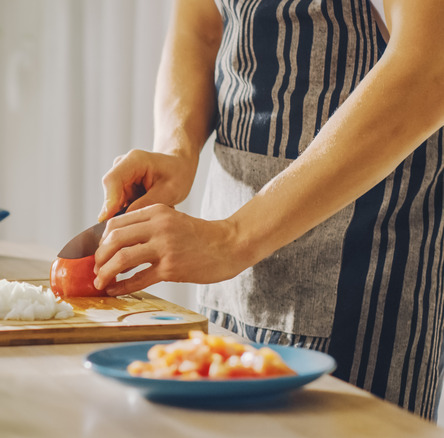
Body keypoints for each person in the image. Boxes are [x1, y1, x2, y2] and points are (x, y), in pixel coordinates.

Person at [92, 0, 444, 420]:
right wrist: (178, 149)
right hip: (229, 247)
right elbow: (202, 24)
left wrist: (232, 239)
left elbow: (430, 67)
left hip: (362, 254)